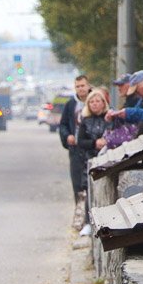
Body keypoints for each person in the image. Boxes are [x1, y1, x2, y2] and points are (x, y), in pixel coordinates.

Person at [59, 75, 90, 203]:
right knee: (77, 183)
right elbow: (63, 125)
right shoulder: (70, 105)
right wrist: (67, 136)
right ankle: (80, 211)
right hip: (76, 149)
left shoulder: (96, 100)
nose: (80, 89)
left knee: (91, 181)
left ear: (88, 86)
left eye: (83, 85)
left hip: (92, 148)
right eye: (78, 86)